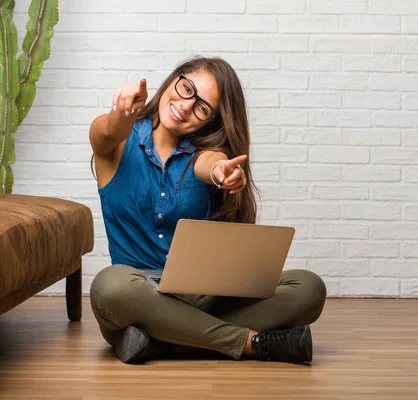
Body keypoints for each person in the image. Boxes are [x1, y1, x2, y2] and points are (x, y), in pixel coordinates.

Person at [88, 56, 327, 365]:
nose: (186, 106)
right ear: (174, 79)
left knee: (308, 287)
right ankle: (253, 343)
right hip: (138, 295)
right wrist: (123, 113)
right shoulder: (116, 146)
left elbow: (209, 164)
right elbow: (108, 132)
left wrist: (220, 173)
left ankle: (159, 341)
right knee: (109, 286)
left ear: (209, 120)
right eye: (186, 89)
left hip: (202, 296)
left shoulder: (205, 153)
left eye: (201, 107)